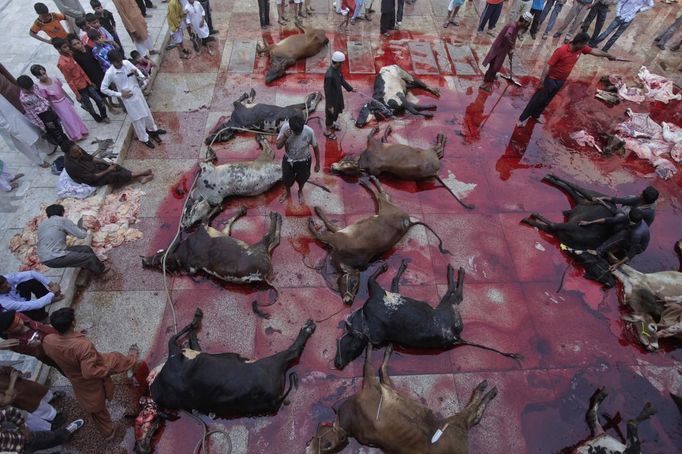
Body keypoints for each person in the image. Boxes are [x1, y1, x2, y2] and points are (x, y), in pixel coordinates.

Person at [42, 308, 139, 440]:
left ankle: (108, 432)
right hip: (91, 377)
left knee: (97, 410)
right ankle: (132, 359)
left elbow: (60, 348)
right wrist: (106, 370)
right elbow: (89, 373)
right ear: (73, 322)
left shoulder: (48, 340)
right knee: (116, 359)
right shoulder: (84, 346)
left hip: (76, 379)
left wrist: (75, 336)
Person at [517, 32, 615, 127]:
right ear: (579, 43)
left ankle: (535, 115)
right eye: (584, 44)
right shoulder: (561, 50)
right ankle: (521, 119)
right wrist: (542, 81)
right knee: (537, 100)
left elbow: (594, 52)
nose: (586, 46)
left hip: (561, 80)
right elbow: (548, 66)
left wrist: (608, 56)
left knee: (547, 100)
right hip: (550, 79)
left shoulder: (581, 49)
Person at [101, 50, 165, 148]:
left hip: (138, 93)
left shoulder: (126, 63)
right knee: (137, 119)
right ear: (112, 62)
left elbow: (138, 72)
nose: (121, 63)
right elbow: (103, 89)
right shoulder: (110, 73)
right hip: (129, 99)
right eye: (118, 62)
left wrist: (138, 74)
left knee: (147, 112)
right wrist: (120, 94)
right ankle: (144, 138)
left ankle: (153, 129)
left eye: (121, 60)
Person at [38, 204, 109, 275]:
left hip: (44, 258)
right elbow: (82, 235)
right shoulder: (61, 220)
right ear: (62, 212)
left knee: (86, 249)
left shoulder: (42, 225)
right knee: (89, 257)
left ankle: (89, 266)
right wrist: (84, 227)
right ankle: (101, 271)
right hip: (55, 256)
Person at [54, 38, 109, 124]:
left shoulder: (71, 56)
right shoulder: (63, 64)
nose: (68, 48)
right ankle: (96, 117)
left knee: (99, 100)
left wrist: (89, 82)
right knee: (90, 107)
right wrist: (77, 94)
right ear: (59, 50)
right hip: (79, 88)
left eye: (67, 46)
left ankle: (104, 116)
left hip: (86, 82)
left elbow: (80, 70)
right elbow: (69, 80)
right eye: (65, 47)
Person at [31, 65, 89, 142]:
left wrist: (68, 98)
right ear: (37, 77)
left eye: (44, 73)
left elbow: (61, 89)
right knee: (67, 120)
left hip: (64, 100)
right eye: (40, 75)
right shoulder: (41, 87)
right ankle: (76, 135)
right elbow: (46, 99)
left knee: (74, 116)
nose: (44, 76)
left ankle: (82, 131)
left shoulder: (54, 79)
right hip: (57, 105)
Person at [480, 13, 532, 93]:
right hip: (499, 48)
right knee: (494, 66)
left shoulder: (516, 27)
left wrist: (512, 49)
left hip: (503, 49)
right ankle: (486, 84)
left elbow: (513, 38)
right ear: (524, 22)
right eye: (527, 24)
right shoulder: (513, 26)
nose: (526, 26)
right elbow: (507, 36)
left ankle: (489, 77)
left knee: (496, 66)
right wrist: (511, 45)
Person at [63, 140, 153, 186]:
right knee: (113, 175)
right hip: (91, 179)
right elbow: (92, 178)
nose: (79, 151)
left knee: (113, 166)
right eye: (76, 151)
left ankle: (138, 177)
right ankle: (140, 174)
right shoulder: (72, 166)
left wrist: (106, 163)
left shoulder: (78, 150)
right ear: (69, 154)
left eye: (79, 148)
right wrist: (108, 170)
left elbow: (91, 158)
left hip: (93, 168)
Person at [0, 366, 60, 432]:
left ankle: (50, 400)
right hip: (17, 396)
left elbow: (10, 370)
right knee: (35, 405)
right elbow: (5, 401)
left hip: (22, 385)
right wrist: (12, 381)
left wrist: (19, 374)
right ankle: (52, 418)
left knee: (38, 391)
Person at [276, 114, 320, 203]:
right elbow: (278, 146)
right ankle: (287, 192)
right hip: (288, 159)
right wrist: (284, 137)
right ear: (291, 127)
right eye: (296, 131)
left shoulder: (309, 131)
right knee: (286, 179)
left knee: (302, 178)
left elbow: (315, 147)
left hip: (304, 160)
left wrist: (318, 163)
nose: (299, 132)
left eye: (300, 130)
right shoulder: (285, 128)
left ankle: (300, 191)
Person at [0, 406, 83, 452]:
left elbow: (9, 412)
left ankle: (66, 432)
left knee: (50, 437)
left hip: (24, 439)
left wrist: (23, 427)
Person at [17, 75, 68, 148]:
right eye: (28, 89)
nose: (31, 89)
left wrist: (47, 105)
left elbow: (42, 97)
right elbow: (32, 114)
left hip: (49, 110)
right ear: (22, 88)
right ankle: (65, 147)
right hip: (44, 117)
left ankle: (68, 143)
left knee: (59, 127)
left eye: (31, 87)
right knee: (56, 133)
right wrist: (42, 125)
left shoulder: (34, 86)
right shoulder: (24, 99)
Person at [0, 96, 52, 168]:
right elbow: (1, 122)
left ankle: (48, 149)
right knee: (25, 146)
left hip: (15, 116)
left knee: (33, 135)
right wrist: (10, 130)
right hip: (9, 127)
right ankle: (39, 161)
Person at [589, 186, 658, 226]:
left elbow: (620, 219)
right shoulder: (644, 200)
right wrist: (604, 198)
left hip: (635, 222)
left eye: (642, 193)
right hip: (634, 211)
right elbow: (623, 201)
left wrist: (591, 222)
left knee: (619, 216)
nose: (640, 193)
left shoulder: (644, 212)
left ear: (643, 198)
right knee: (630, 197)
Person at [323, 52, 353, 140]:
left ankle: (332, 124)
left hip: (338, 96)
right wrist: (329, 106)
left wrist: (350, 89)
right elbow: (327, 92)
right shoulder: (329, 75)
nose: (342, 64)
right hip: (332, 99)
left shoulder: (338, 70)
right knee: (330, 115)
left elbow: (342, 81)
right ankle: (327, 131)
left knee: (336, 112)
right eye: (342, 62)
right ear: (338, 62)